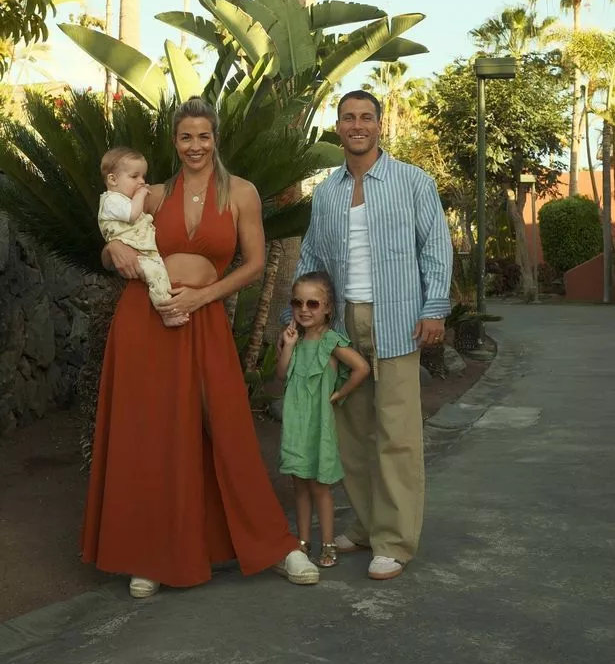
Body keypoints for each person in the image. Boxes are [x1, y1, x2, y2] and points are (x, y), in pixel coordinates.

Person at [82, 95, 319, 598]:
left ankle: (277, 546)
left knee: (228, 426)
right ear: (175, 141)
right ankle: (149, 554)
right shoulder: (152, 193)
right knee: (151, 433)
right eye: (186, 137)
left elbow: (254, 263)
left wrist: (204, 296)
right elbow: (113, 238)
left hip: (203, 317)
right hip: (146, 320)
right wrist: (112, 248)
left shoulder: (241, 193)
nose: (195, 145)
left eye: (203, 136)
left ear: (215, 139)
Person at [281, 90, 453, 580]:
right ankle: (367, 525)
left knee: (397, 435)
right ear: (338, 127)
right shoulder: (327, 193)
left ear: (379, 125)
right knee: (350, 435)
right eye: (348, 117)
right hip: (340, 326)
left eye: (366, 117)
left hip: (396, 320)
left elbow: (435, 248)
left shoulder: (413, 182)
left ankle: (394, 541)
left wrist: (435, 308)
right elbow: (312, 256)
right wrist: (298, 316)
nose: (357, 125)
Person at [276, 271, 370, 568]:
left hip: (319, 425)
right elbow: (281, 374)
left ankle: (328, 543)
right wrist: (288, 345)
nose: (304, 309)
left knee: (320, 486)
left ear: (328, 308)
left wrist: (339, 393)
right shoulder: (294, 340)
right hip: (296, 424)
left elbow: (362, 368)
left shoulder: (331, 341)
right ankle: (302, 542)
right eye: (297, 303)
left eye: (313, 304)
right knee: (299, 485)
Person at [98, 146, 188, 328]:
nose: (141, 182)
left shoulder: (122, 200)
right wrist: (140, 194)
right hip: (135, 251)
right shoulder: (111, 200)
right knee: (156, 275)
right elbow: (132, 214)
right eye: (134, 177)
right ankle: (167, 312)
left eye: (143, 177)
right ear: (113, 180)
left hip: (141, 249)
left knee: (158, 274)